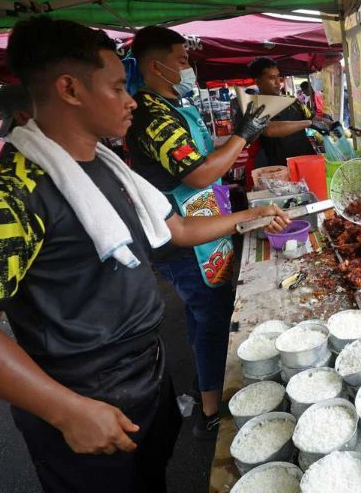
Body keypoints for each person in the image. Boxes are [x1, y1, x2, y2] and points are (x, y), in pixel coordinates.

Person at [0, 16, 289, 492]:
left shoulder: (109, 168)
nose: (131, 100)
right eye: (116, 87)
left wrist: (250, 216)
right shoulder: (3, 198)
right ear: (69, 89)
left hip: (145, 374)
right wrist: (65, 411)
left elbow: (176, 229)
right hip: (82, 395)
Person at [125, 26, 274, 438]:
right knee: (212, 317)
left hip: (206, 222)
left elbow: (203, 156)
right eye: (182, 60)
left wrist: (235, 138)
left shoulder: (175, 106)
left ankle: (206, 384)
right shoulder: (152, 115)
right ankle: (211, 410)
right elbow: (198, 173)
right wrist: (244, 135)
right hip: (186, 237)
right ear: (156, 66)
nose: (189, 66)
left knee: (202, 313)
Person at [250, 57, 332, 167]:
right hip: (280, 167)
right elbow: (269, 129)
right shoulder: (255, 106)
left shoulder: (292, 101)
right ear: (258, 82)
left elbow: (312, 117)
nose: (278, 83)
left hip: (306, 160)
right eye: (271, 78)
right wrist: (308, 123)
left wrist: (331, 124)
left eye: (278, 77)